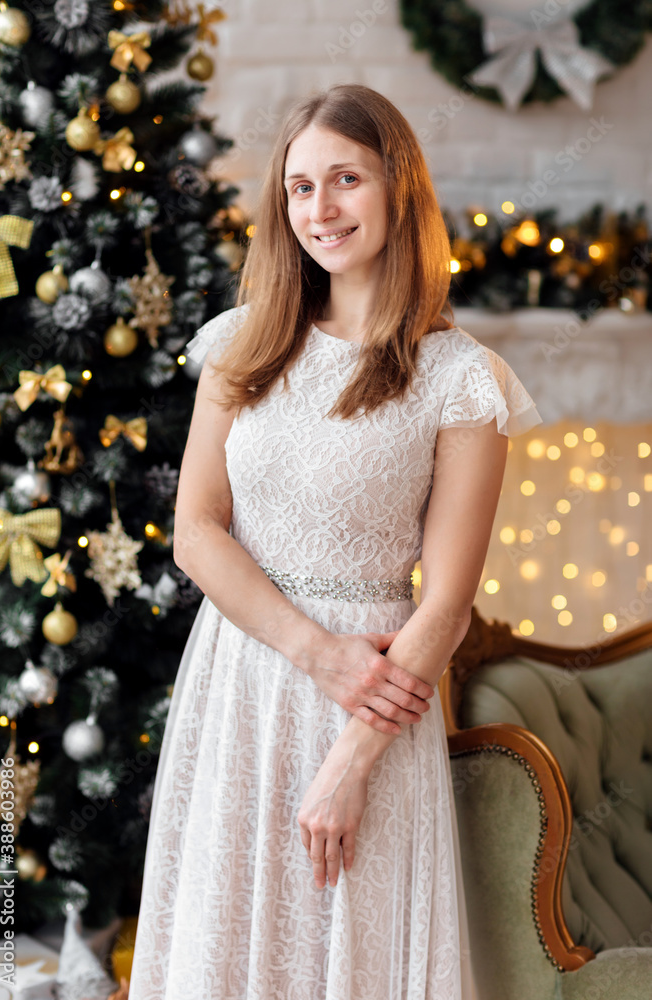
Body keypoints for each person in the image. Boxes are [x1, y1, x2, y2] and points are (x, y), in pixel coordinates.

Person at [127, 83, 543, 1000]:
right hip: (240, 683)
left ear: (397, 186)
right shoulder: (241, 346)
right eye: (300, 187)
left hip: (373, 714)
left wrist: (351, 761)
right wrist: (317, 652)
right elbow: (196, 532)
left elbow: (447, 602)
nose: (320, 209)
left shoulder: (461, 379)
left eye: (346, 179)